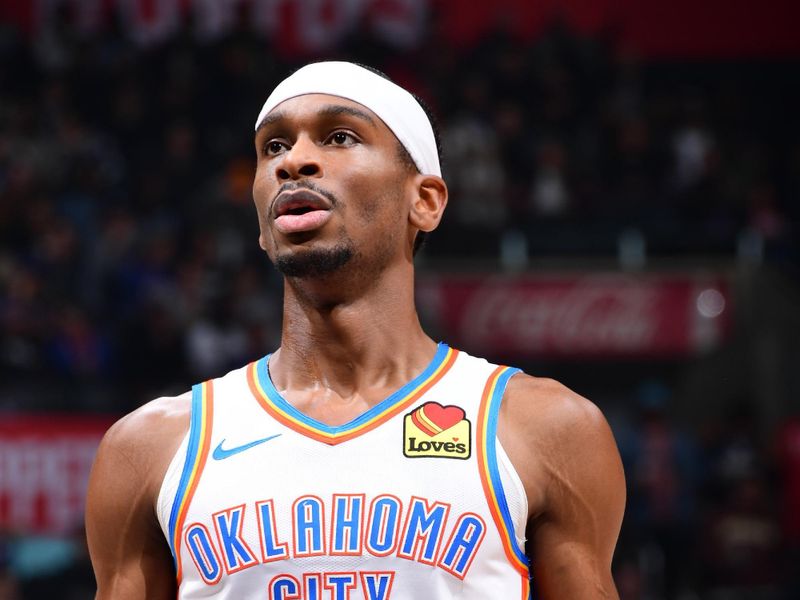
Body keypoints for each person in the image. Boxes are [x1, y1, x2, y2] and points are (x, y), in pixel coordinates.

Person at [85, 61, 625, 599]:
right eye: (273, 146)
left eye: (339, 137)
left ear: (425, 201)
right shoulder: (150, 447)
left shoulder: (546, 429)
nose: (294, 161)